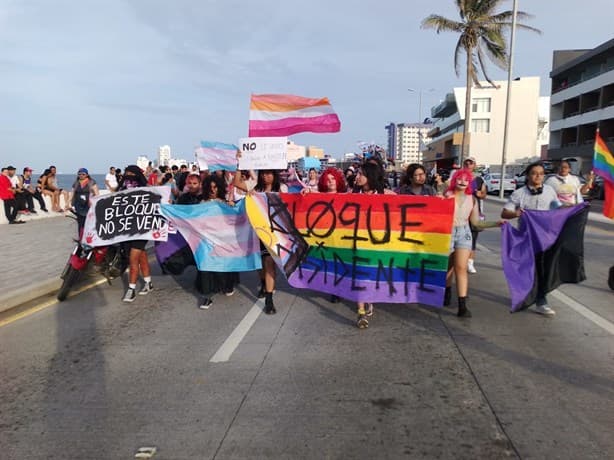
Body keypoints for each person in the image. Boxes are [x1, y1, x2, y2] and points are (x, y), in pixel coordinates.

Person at [501, 162, 562, 316]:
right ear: (528, 175)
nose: (538, 176)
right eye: (534, 173)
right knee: (527, 269)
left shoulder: (550, 191)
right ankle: (525, 295)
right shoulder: (519, 194)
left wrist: (575, 209)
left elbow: (558, 209)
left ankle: (541, 300)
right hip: (526, 238)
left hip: (546, 238)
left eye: (541, 173)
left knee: (543, 269)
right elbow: (504, 213)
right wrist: (516, 213)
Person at [444, 169, 502, 317]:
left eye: (466, 179)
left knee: (461, 267)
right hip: (447, 233)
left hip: (464, 233)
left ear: (470, 183)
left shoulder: (473, 199)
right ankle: (446, 291)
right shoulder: (446, 196)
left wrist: (496, 223)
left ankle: (462, 305)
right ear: (454, 180)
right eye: (459, 179)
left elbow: (475, 223)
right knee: (447, 267)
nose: (462, 182)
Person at [235, 168, 288, 314]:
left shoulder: (282, 188)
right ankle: (264, 283)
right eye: (263, 173)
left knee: (269, 262)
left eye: (269, 173)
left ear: (274, 174)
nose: (266, 176)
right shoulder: (255, 187)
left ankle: (269, 300)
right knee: (260, 263)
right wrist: (240, 166)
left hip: (274, 233)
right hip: (256, 231)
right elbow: (236, 182)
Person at [352, 161, 395, 328]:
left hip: (378, 244)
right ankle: (361, 312)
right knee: (360, 274)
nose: (357, 177)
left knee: (372, 275)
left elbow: (409, 207)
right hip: (357, 243)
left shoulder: (387, 195)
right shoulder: (352, 195)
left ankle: (369, 299)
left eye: (361, 174)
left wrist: (439, 200)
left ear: (370, 176)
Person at [196, 175, 240, 309]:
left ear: (219, 187)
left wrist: (233, 207)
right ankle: (207, 296)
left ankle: (227, 285)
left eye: (215, 187)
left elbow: (234, 219)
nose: (212, 190)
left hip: (223, 241)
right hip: (206, 241)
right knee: (205, 268)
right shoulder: (202, 203)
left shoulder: (225, 203)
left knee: (222, 269)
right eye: (210, 187)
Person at [119, 165, 154, 303]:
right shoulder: (121, 189)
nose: (128, 176)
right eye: (126, 173)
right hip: (127, 229)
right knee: (141, 256)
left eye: (131, 173)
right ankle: (148, 282)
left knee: (133, 258)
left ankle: (131, 289)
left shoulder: (146, 189)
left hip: (142, 228)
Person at [462, 156, 487, 274]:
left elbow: (484, 194)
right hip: (461, 213)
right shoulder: (459, 178)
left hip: (475, 213)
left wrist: (479, 194)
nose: (468, 165)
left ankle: (470, 262)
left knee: (473, 238)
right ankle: (460, 260)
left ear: (474, 165)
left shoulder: (479, 180)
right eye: (466, 163)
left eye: (470, 163)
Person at [70, 168, 99, 235]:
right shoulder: (76, 183)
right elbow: (72, 193)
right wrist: (68, 203)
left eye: (83, 174)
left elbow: (97, 194)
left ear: (87, 174)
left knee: (88, 222)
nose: (81, 175)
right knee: (80, 223)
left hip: (88, 205)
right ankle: (81, 238)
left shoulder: (91, 182)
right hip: (78, 205)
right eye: (79, 174)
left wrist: (95, 203)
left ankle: (89, 237)